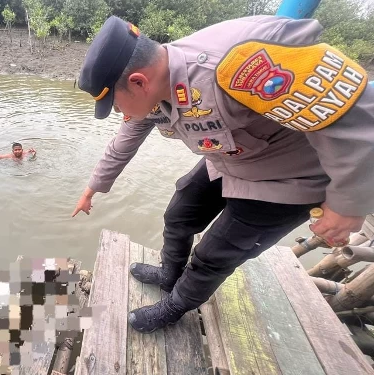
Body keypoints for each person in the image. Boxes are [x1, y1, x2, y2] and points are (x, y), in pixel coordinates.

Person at [72, 15, 374, 334]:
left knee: (214, 253)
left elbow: (357, 121)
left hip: (288, 180)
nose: (119, 113)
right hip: (230, 158)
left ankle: (176, 306)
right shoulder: (153, 88)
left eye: (115, 104)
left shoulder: (241, 63)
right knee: (179, 213)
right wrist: (93, 188)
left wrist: (347, 204)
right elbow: (123, 142)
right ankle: (169, 273)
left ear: (137, 82)